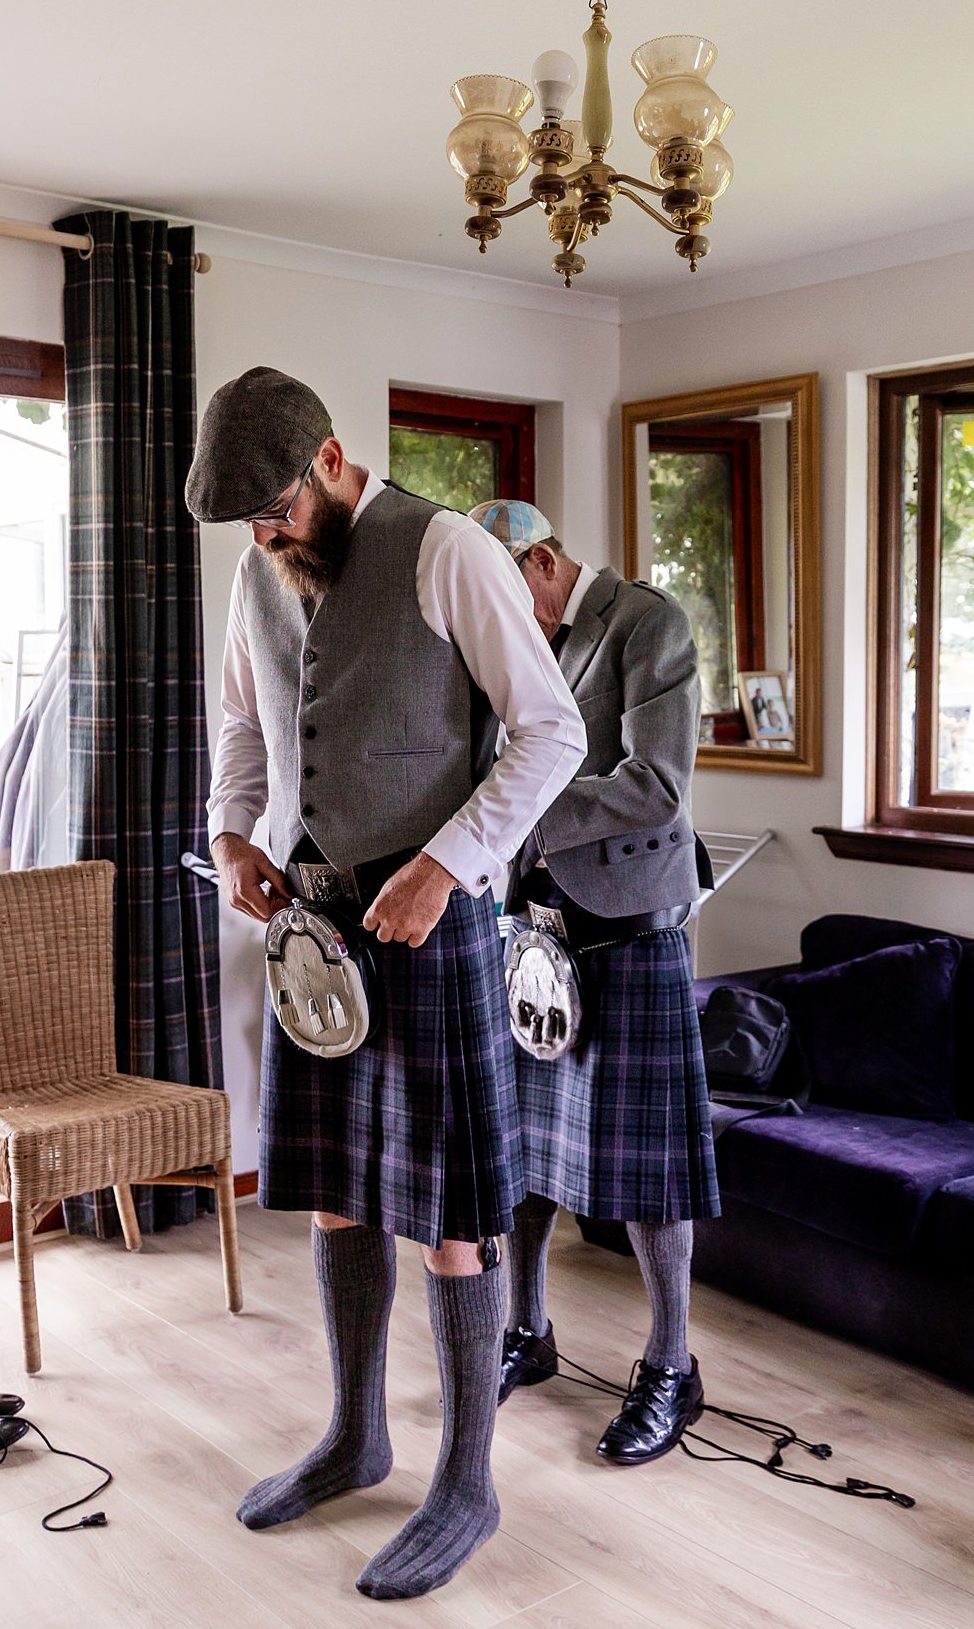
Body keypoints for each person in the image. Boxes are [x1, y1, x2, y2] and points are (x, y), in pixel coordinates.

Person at [185, 370, 586, 1599]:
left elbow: (552, 731)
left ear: (332, 459)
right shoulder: (257, 573)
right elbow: (246, 733)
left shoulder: (447, 549)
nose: (266, 534)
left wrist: (445, 866)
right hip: (314, 923)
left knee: (459, 1224)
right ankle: (358, 1433)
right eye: (248, 520)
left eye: (278, 509)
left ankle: (467, 1481)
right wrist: (235, 834)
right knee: (336, 1199)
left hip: (437, 928)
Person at [470, 499, 719, 1467]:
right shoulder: (513, 640)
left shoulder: (644, 623)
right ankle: (528, 1335)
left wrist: (513, 808)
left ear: (540, 561)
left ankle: (671, 1366)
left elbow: (657, 783)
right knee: (523, 1158)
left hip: (632, 936)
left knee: (650, 1175)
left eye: (498, 594)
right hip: (532, 932)